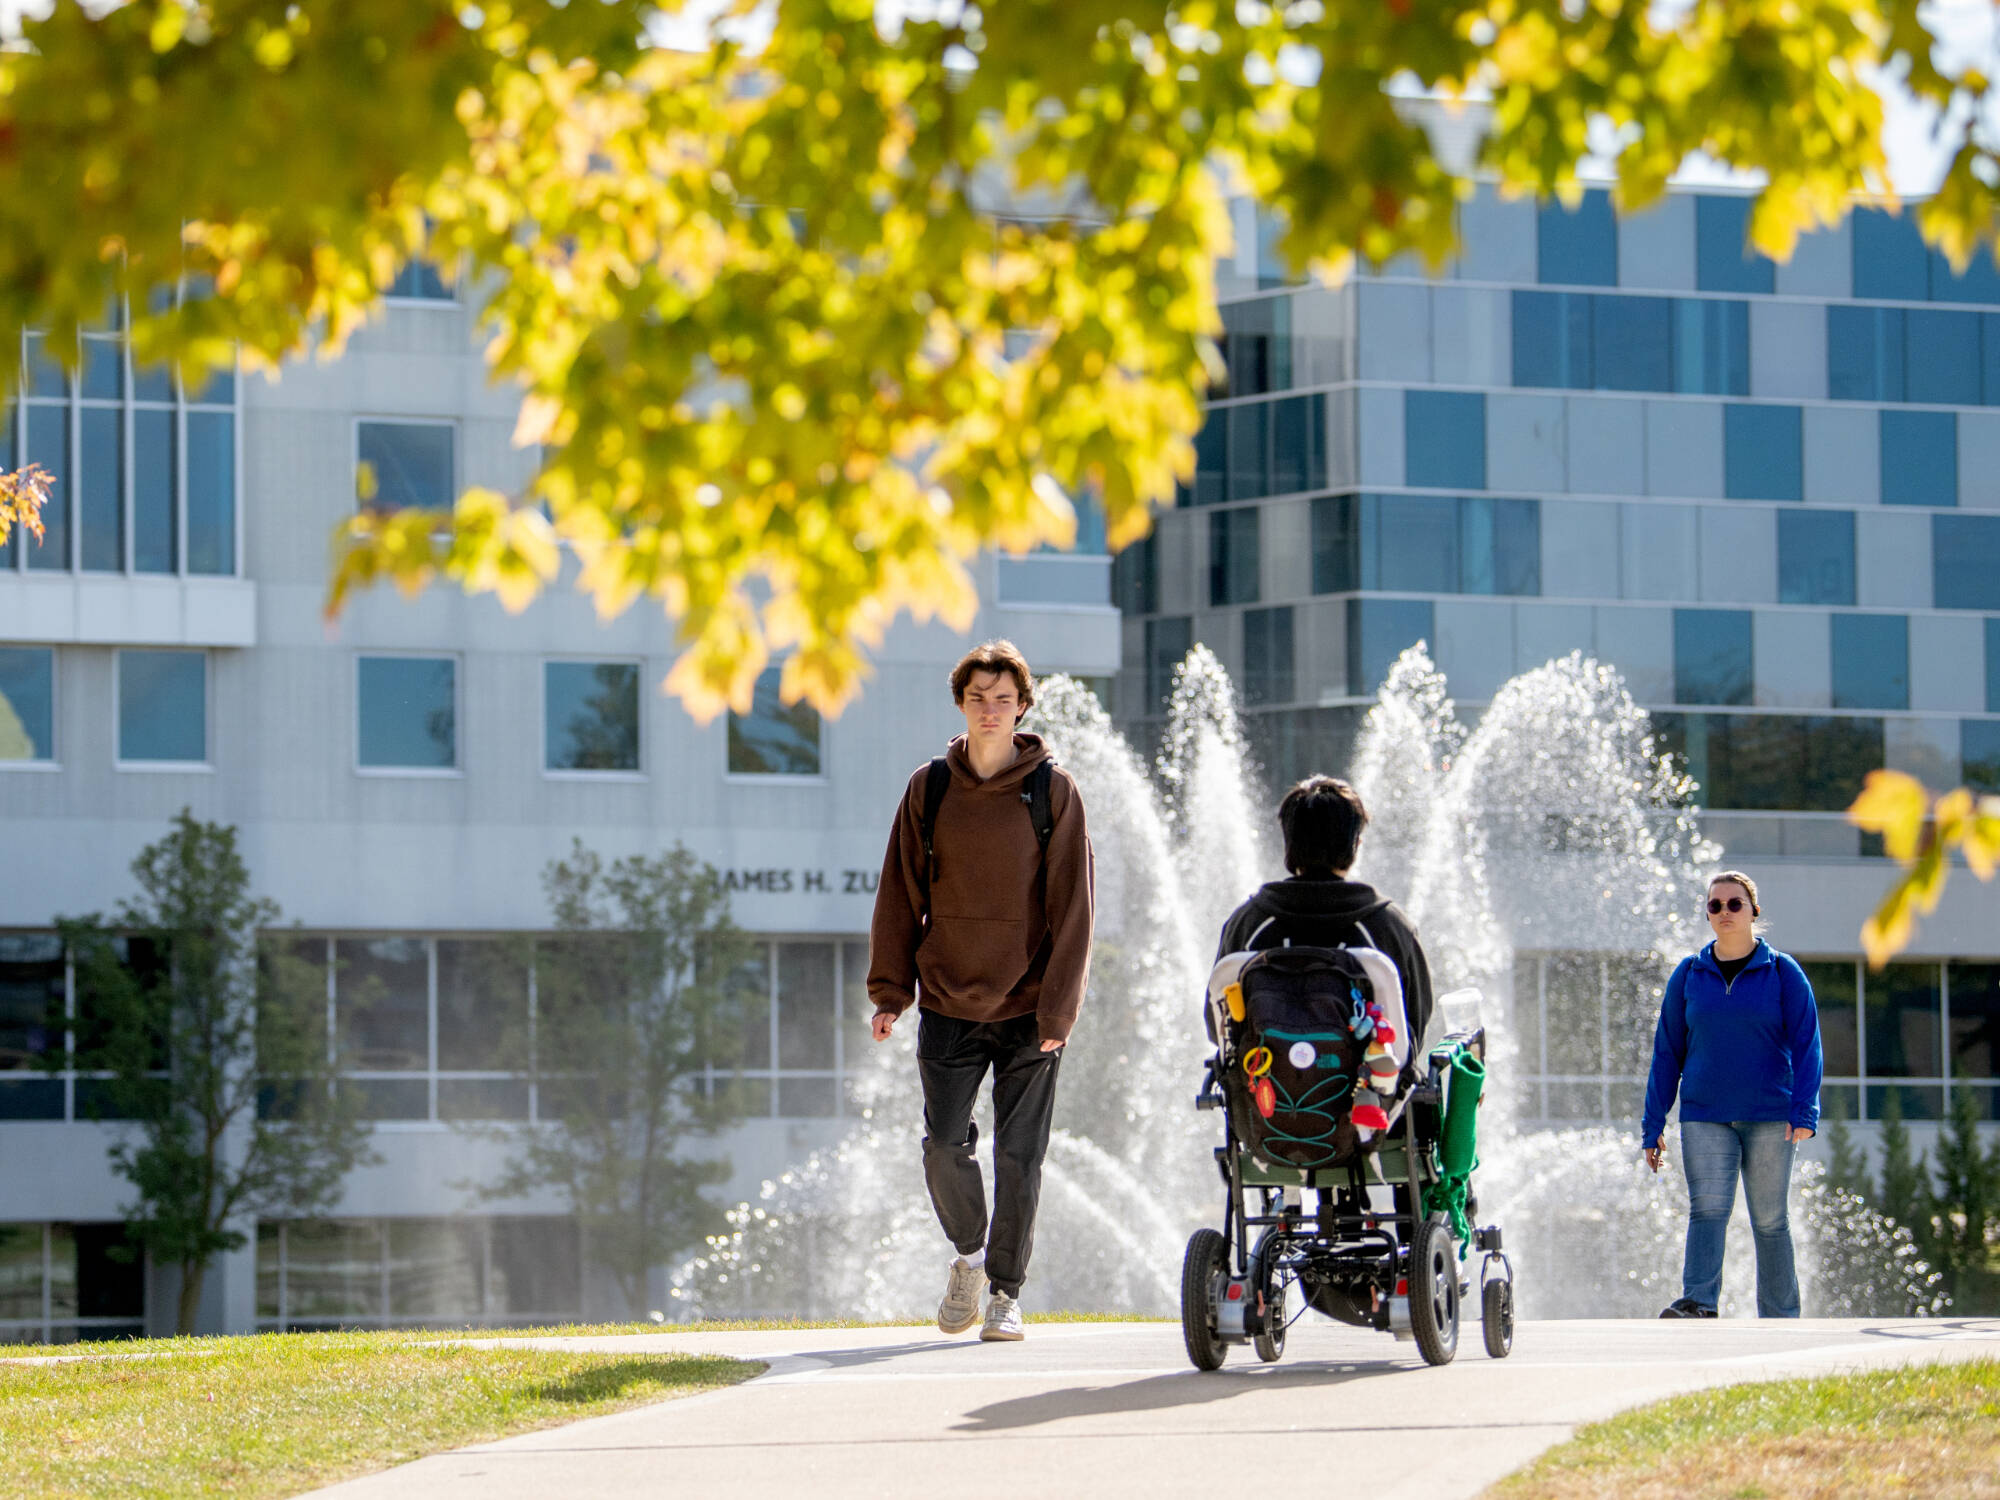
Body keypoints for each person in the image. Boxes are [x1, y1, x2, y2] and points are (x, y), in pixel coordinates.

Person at [867, 640, 1094, 1343]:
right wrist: (889, 991)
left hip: (1030, 1008)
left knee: (1019, 1155)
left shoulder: (1051, 790)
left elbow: (1074, 907)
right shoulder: (929, 788)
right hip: (946, 999)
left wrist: (1059, 1008)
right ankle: (967, 1256)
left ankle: (1005, 1292)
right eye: (978, 699)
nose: (990, 710)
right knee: (942, 1143)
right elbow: (900, 893)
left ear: (1022, 706)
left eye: (1003, 699)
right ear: (960, 705)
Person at [1641, 870, 1822, 1319]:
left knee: (1769, 1219)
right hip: (1705, 1115)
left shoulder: (1783, 972)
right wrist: (1653, 1124)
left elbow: (1808, 1044)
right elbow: (1667, 1052)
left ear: (1753, 912)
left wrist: (1804, 1110)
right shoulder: (1689, 974)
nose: (1724, 912)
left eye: (1734, 904)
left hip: (1770, 1116)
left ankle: (1781, 1316)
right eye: (1715, 905)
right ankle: (1699, 1303)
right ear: (1707, 913)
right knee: (1707, 1211)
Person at [1215, 775, 1434, 1069]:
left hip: (1264, 1107)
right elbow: (1412, 1033)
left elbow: (1218, 1030)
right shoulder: (1389, 926)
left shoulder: (1248, 923)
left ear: (1289, 843)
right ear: (1355, 843)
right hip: (1368, 1108)